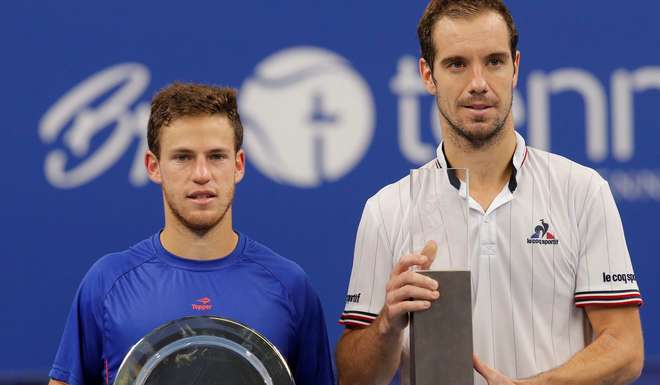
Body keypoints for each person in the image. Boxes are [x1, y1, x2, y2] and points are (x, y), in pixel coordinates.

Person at [336, 1, 644, 385]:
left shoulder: (581, 191)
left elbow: (626, 348)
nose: (478, 82)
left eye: (494, 61)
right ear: (427, 75)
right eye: (457, 64)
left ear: (515, 67)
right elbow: (354, 378)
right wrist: (386, 324)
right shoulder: (387, 209)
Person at [49, 83, 335, 385]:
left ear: (238, 165)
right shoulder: (106, 283)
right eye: (183, 157)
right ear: (153, 166)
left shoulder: (291, 287)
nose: (201, 174)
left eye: (216, 156)